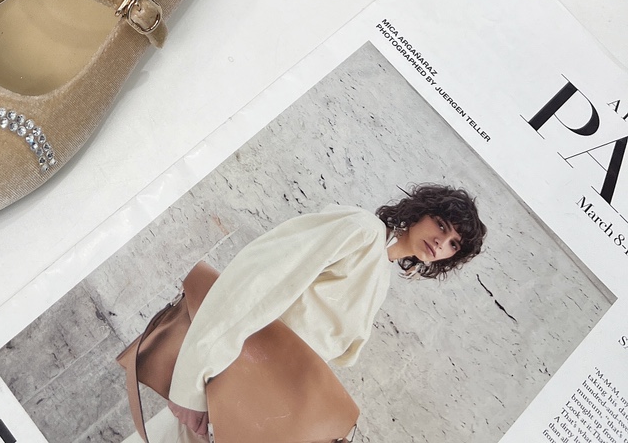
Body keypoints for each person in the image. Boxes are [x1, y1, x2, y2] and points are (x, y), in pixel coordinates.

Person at [159, 184, 486, 440]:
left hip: (256, 401)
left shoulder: (381, 274)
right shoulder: (362, 230)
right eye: (441, 225)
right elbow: (260, 282)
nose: (441, 242)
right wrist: (191, 380)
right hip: (221, 378)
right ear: (420, 212)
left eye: (454, 244)